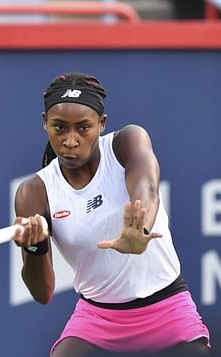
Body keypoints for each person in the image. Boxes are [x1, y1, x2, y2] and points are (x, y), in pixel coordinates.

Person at [12, 72, 211, 356]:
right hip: (97, 320)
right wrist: (35, 246)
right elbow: (42, 293)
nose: (70, 141)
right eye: (59, 128)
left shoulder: (126, 143)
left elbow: (147, 189)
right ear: (45, 122)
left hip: (167, 310)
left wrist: (139, 230)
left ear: (101, 125)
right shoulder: (34, 192)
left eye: (83, 128)